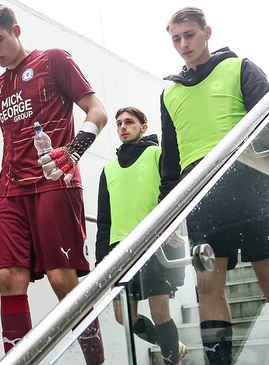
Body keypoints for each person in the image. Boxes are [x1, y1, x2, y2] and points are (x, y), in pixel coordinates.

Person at [0, 3, 108, 364]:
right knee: (8, 278)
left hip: (55, 182)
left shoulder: (54, 60)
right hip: (10, 190)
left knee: (61, 278)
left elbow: (98, 111)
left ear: (16, 30)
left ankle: (96, 360)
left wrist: (75, 150)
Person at [159, 7, 269, 365]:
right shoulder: (169, 93)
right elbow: (170, 160)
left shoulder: (240, 67)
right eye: (176, 38)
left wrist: (264, 166)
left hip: (251, 184)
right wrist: (168, 211)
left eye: (190, 35)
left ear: (207, 32)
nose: (184, 44)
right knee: (207, 288)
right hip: (202, 194)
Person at [96, 107, 185, 365]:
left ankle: (171, 359)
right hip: (120, 250)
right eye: (119, 123)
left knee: (159, 311)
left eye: (130, 122)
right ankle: (171, 346)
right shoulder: (108, 170)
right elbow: (104, 219)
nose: (123, 127)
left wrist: (171, 228)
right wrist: (102, 260)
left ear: (143, 127)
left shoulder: (158, 154)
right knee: (123, 316)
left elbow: (173, 193)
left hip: (154, 244)